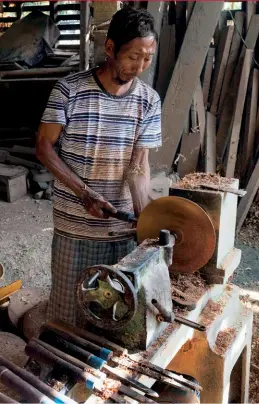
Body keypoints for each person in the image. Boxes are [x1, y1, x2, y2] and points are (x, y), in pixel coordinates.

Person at [36, 7, 161, 326]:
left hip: (119, 230)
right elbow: (44, 148)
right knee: (68, 312)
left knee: (112, 314)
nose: (140, 66)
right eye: (133, 56)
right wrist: (85, 194)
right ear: (110, 48)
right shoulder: (69, 90)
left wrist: (141, 216)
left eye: (147, 58)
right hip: (74, 226)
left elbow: (139, 166)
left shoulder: (149, 100)